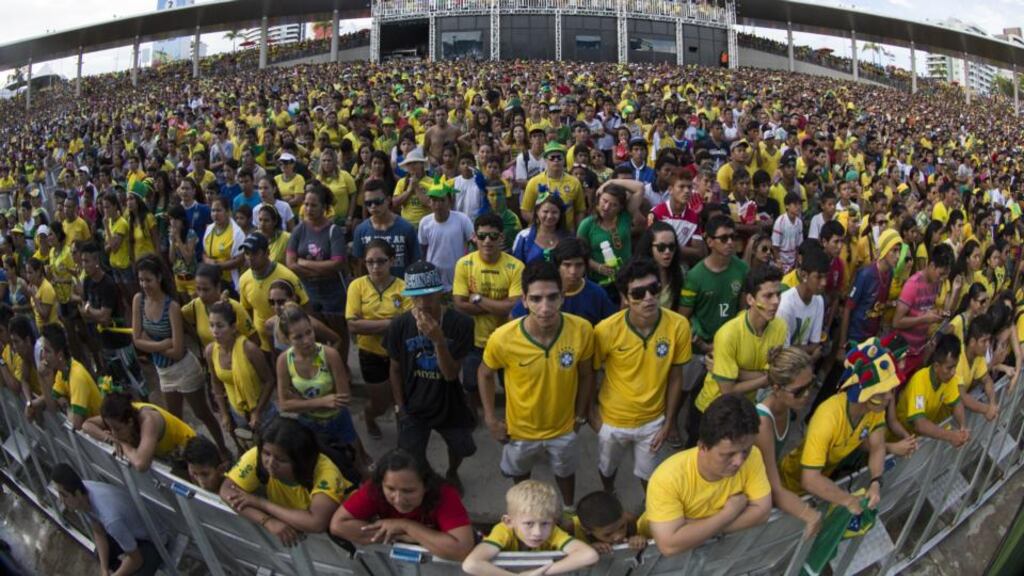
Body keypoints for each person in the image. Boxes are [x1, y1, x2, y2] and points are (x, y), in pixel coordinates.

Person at [480, 261, 595, 506]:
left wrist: (581, 415)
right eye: (536, 299)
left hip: (564, 428)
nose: (545, 307)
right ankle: (525, 508)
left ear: (563, 297)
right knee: (520, 475)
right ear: (524, 300)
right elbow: (485, 374)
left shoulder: (582, 330)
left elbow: (586, 375)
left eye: (552, 297)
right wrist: (490, 419)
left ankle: (568, 509)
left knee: (565, 472)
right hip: (519, 432)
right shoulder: (502, 338)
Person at [592, 259, 691, 492]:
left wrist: (669, 422)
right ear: (624, 297)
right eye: (638, 293)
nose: (648, 297)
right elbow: (590, 373)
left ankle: (651, 507)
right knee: (607, 468)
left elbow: (677, 377)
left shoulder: (678, 326)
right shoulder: (605, 330)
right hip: (612, 420)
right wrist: (591, 415)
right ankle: (609, 493)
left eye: (654, 289)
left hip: (653, 422)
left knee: (650, 476)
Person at [383, 261, 477, 487]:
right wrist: (399, 406)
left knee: (461, 447)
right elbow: (394, 368)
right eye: (416, 296)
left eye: (428, 295)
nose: (422, 302)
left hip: (449, 401)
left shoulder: (461, 323)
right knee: (410, 454)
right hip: (414, 403)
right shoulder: (399, 325)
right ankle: (427, 479)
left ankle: (452, 472)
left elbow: (451, 374)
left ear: (440, 292)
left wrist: (438, 340)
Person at [779, 338, 898, 514]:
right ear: (863, 392)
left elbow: (877, 446)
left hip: (822, 486)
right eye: (882, 391)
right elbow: (810, 479)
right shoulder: (828, 417)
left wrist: (875, 482)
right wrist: (848, 500)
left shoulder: (875, 408)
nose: (889, 397)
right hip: (789, 486)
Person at [645, 394, 772, 556]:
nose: (739, 461)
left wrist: (694, 528)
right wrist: (729, 514)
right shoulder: (667, 479)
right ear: (703, 447)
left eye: (745, 451)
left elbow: (762, 512)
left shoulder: (753, 456)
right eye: (728, 454)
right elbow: (669, 546)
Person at [131, 255, 227, 456]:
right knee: (174, 418)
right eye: (141, 280)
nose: (144, 285)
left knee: (202, 413)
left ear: (159, 278)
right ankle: (188, 454)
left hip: (184, 369)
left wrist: (150, 343)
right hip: (163, 371)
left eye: (148, 280)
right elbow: (136, 340)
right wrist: (162, 344)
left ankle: (222, 449)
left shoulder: (171, 306)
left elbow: (176, 351)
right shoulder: (138, 301)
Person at [691, 265, 787, 444]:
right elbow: (727, 390)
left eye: (778, 294)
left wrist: (736, 374)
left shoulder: (780, 327)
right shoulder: (728, 334)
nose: (776, 302)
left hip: (742, 410)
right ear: (750, 299)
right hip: (711, 409)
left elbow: (772, 372)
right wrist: (768, 378)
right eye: (768, 296)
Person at [221, 417, 351, 547]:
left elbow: (316, 523)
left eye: (281, 460)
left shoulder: (326, 474)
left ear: (300, 462)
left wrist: (261, 504)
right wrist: (267, 521)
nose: (270, 463)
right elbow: (226, 490)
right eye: (266, 454)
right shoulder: (257, 456)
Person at [329, 448, 475, 562]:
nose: (398, 499)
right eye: (391, 489)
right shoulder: (374, 489)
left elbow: (461, 549)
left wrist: (405, 526)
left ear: (426, 486)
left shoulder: (445, 494)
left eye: (408, 491)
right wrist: (404, 536)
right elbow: (338, 526)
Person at [275, 303, 364, 481]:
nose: (306, 340)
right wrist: (323, 401)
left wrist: (300, 403)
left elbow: (343, 399)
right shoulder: (284, 361)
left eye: (309, 332)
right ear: (286, 339)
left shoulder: (330, 355)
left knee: (356, 463)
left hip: (338, 419)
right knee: (319, 466)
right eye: (298, 337)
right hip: (309, 425)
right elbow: (284, 404)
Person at [453, 213, 525, 405]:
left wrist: (477, 299)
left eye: (493, 236)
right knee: (470, 384)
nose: (487, 241)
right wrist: (498, 305)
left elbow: (515, 307)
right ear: (474, 237)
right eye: (482, 236)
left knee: (510, 384)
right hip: (474, 340)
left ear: (501, 237)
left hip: (507, 339)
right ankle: (475, 414)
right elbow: (459, 304)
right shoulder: (464, 264)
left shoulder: (516, 266)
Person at [346, 239, 412, 438]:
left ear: (392, 261)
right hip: (371, 355)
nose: (375, 267)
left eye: (381, 261)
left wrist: (370, 324)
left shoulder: (403, 287)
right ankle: (369, 416)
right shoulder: (357, 286)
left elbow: (409, 325)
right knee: (380, 404)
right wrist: (392, 323)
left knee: (401, 398)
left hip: (399, 355)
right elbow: (353, 325)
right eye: (370, 262)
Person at [462, 480, 599, 575]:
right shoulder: (503, 530)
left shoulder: (553, 532)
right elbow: (471, 564)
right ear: (509, 521)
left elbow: (589, 555)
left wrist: (540, 572)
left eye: (545, 523)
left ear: (554, 521)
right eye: (529, 524)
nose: (537, 533)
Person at [753, 348, 822, 537]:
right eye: (799, 391)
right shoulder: (763, 423)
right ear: (776, 388)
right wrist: (809, 514)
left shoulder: (788, 408)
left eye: (811, 384)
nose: (807, 394)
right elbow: (773, 486)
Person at [52, 463, 166, 576]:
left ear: (77, 493)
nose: (61, 500)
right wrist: (104, 569)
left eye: (64, 495)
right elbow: (98, 532)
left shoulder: (110, 519)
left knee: (135, 566)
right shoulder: (84, 494)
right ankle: (126, 561)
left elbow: (137, 561)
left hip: (155, 540)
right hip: (133, 533)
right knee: (101, 555)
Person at [74, 241, 148, 400]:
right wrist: (92, 312)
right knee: (117, 383)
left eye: (86, 261)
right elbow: (87, 313)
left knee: (136, 379)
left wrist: (89, 310)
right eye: (82, 261)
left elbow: (103, 316)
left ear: (96, 261)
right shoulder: (87, 281)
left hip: (120, 341)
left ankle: (148, 405)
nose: (83, 265)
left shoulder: (108, 284)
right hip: (104, 341)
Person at [286, 181, 350, 356]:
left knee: (339, 336)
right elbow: (290, 263)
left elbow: (337, 263)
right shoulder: (299, 229)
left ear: (324, 207)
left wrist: (305, 264)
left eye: (314, 205)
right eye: (306, 204)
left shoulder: (333, 231)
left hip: (334, 293)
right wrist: (320, 269)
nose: (308, 208)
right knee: (315, 336)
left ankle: (342, 370)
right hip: (309, 293)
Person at [206, 301, 276, 438]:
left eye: (220, 326)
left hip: (264, 412)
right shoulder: (210, 351)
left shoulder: (249, 349)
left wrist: (257, 411)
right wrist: (224, 414)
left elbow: (269, 381)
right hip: (237, 412)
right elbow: (216, 383)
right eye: (212, 325)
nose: (215, 331)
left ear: (233, 327)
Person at [82, 392, 197, 472]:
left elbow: (140, 464)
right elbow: (86, 425)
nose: (114, 433)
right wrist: (108, 439)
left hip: (189, 451)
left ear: (130, 422)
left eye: (117, 429)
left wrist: (122, 443)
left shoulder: (149, 420)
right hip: (169, 456)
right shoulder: (115, 418)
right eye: (109, 427)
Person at [894, 334, 970, 448]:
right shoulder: (919, 381)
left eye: (955, 366)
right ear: (936, 366)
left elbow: (957, 404)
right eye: (949, 368)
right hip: (898, 441)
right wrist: (951, 436)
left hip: (917, 443)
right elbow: (920, 424)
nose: (953, 372)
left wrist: (963, 427)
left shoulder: (950, 379)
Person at [238, 232, 309, 353]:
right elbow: (247, 311)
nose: (250, 257)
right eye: (247, 253)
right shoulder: (244, 279)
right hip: (263, 345)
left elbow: (306, 308)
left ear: (267, 253)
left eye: (255, 253)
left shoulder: (287, 276)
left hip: (291, 344)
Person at [892, 244, 954, 376]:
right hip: (903, 352)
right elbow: (896, 322)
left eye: (946, 275)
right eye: (941, 274)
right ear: (932, 265)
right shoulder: (912, 285)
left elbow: (924, 309)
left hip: (919, 350)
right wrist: (924, 319)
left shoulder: (936, 284)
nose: (943, 279)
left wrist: (936, 313)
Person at [25, 323, 102, 429]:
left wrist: (66, 407)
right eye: (43, 350)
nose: (43, 356)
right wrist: (42, 378)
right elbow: (52, 406)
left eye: (47, 351)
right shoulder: (63, 372)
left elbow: (76, 424)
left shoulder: (77, 376)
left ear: (60, 355)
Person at [838, 229, 902, 353]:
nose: (898, 256)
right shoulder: (865, 275)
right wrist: (842, 344)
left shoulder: (890, 273)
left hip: (871, 338)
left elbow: (881, 304)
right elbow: (848, 308)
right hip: (855, 337)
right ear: (884, 250)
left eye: (899, 251)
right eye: (894, 251)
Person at [351, 180, 420, 278]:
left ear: (388, 200)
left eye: (378, 202)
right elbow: (359, 266)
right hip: (372, 290)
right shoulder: (361, 231)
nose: (373, 206)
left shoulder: (406, 228)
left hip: (402, 288)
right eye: (368, 203)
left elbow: (415, 262)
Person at [181, 264, 255, 350]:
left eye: (206, 290)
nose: (201, 295)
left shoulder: (234, 307)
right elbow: (179, 317)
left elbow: (253, 339)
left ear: (218, 287)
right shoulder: (194, 306)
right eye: (198, 289)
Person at [418, 182, 474, 291]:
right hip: (434, 280)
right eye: (434, 200)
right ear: (429, 202)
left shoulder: (463, 220)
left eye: (442, 200)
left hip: (458, 278)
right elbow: (423, 249)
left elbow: (474, 243)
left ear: (450, 201)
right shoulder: (425, 222)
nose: (438, 205)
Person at [776, 245, 828, 361]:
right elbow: (784, 352)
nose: (824, 282)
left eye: (826, 277)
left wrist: (798, 349)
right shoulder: (786, 304)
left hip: (800, 362)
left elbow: (815, 344)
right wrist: (810, 356)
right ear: (804, 275)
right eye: (819, 277)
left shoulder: (819, 300)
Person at [521, 142, 587, 229]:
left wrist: (578, 233)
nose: (556, 160)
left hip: (566, 234)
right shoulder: (534, 182)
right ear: (545, 160)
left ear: (564, 160)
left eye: (559, 158)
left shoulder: (574, 182)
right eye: (552, 158)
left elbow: (580, 211)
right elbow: (526, 210)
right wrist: (544, 223)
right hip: (541, 232)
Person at [573, 491, 649, 555]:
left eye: (622, 527)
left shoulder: (630, 519)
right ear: (587, 530)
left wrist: (637, 539)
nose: (619, 536)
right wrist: (587, 548)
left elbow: (636, 535)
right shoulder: (572, 528)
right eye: (608, 534)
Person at [511, 192, 571, 265]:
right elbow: (516, 267)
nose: (549, 216)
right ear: (537, 212)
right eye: (545, 211)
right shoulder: (524, 237)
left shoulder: (568, 238)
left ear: (560, 214)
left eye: (554, 212)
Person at [636, 222, 685, 310]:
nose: (667, 251)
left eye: (672, 246)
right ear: (649, 247)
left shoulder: (681, 273)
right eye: (661, 247)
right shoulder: (636, 276)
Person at [201, 195, 246, 292]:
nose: (215, 214)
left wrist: (219, 266)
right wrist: (209, 262)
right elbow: (204, 253)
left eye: (219, 210)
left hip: (230, 283)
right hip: (212, 280)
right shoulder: (209, 229)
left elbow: (240, 260)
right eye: (213, 210)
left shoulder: (237, 233)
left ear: (228, 212)